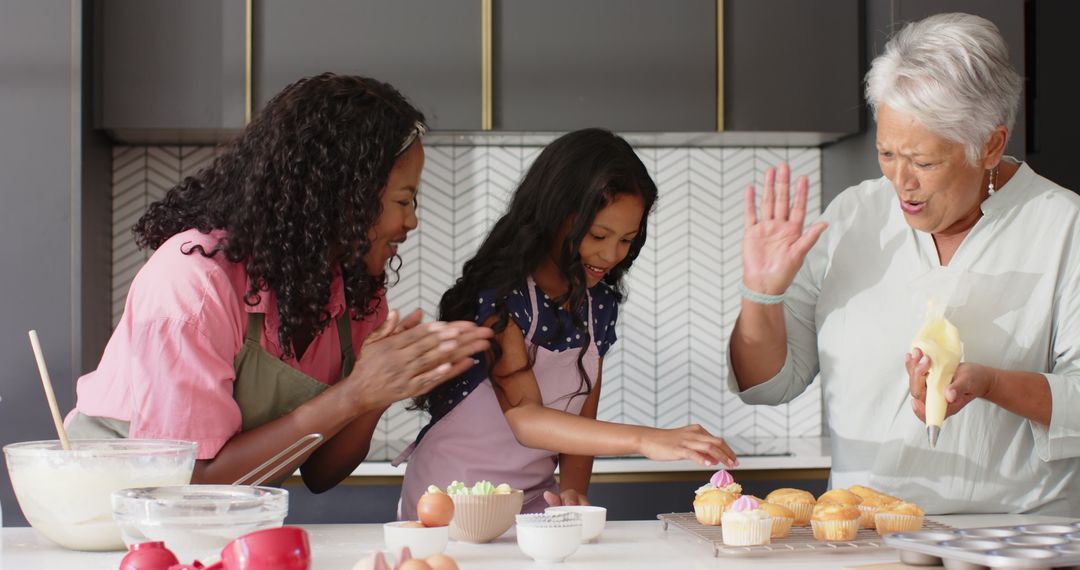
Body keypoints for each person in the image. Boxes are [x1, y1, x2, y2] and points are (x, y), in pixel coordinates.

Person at [67, 73, 492, 491]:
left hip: (217, 521)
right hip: (108, 516)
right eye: (403, 200)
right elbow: (190, 484)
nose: (410, 222)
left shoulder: (356, 295)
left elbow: (321, 473)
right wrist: (354, 393)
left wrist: (377, 393)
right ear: (343, 194)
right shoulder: (195, 283)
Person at [728, 13, 1079, 515]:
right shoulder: (854, 217)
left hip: (1015, 543)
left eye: (924, 161)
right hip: (861, 536)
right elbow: (768, 385)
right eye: (887, 153)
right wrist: (760, 296)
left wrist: (993, 384)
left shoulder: (1063, 226)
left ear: (991, 146)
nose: (900, 181)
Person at [396, 128, 737, 519]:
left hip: (535, 501)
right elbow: (526, 418)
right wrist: (645, 438)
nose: (610, 255)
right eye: (598, 235)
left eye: (626, 240)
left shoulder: (599, 305)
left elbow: (581, 419)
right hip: (451, 499)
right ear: (555, 215)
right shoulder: (502, 296)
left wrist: (573, 490)